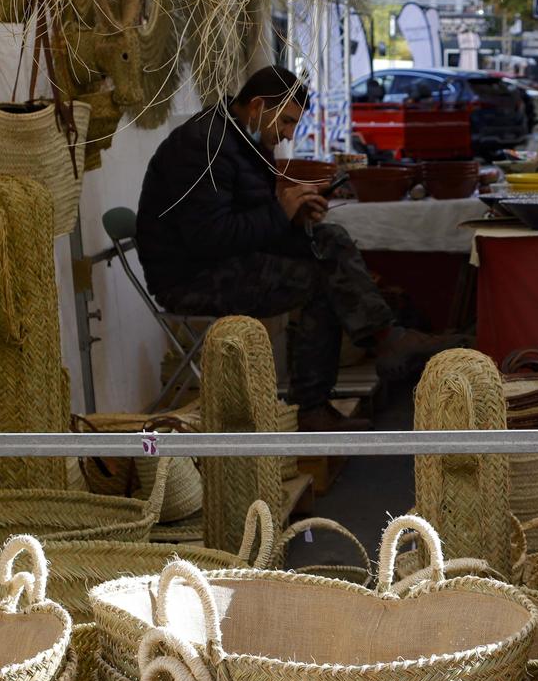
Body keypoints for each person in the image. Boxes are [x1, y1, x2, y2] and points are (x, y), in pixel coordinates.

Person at [135, 66, 452, 431]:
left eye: (293, 125)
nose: (287, 135)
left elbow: (248, 225)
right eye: (285, 122)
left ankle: (387, 337)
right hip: (190, 277)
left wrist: (294, 218)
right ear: (257, 106)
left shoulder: (244, 140)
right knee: (319, 282)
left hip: (225, 259)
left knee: (330, 239)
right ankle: (312, 407)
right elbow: (210, 239)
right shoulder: (203, 146)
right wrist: (280, 212)